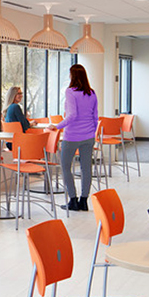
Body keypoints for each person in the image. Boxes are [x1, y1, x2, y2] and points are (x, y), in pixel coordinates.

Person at [48, 64, 99, 211]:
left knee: (65, 166)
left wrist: (57, 126)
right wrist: (91, 132)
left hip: (72, 136)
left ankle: (73, 201)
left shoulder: (70, 92)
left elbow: (72, 115)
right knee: (86, 168)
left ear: (73, 76)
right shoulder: (92, 93)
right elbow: (95, 117)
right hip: (89, 136)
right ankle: (84, 201)